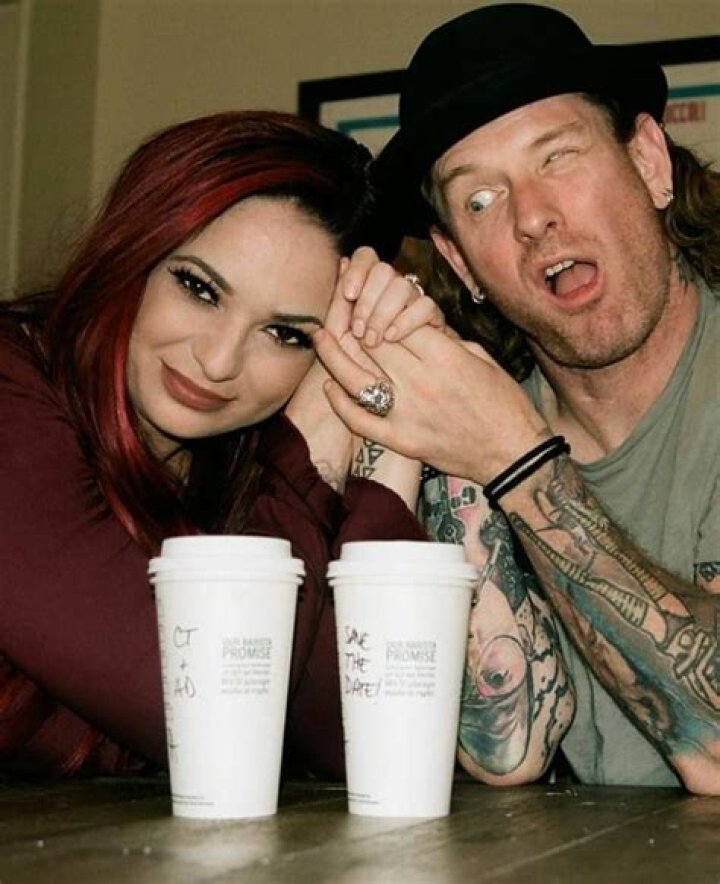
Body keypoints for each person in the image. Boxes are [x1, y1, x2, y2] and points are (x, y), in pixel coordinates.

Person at [314, 3, 719, 793]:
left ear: (649, 162)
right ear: (459, 263)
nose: (533, 217)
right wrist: (432, 418)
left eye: (557, 157)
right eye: (479, 200)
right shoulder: (484, 425)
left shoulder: (508, 439)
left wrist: (519, 462)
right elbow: (510, 750)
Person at [0, 110, 443, 779]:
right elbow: (208, 713)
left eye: (287, 335)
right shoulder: (10, 386)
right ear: (135, 248)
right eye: (199, 288)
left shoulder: (247, 470)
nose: (218, 360)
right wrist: (313, 451)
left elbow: (359, 745)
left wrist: (390, 441)